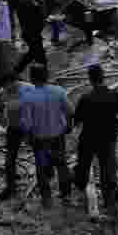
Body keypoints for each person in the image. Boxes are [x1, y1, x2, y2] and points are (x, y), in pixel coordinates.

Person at [73, 64, 118, 209]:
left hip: (89, 137)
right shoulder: (114, 95)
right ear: (103, 77)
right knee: (107, 167)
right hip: (108, 137)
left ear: (90, 79)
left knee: (83, 164)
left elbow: (77, 118)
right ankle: (109, 199)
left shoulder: (85, 97)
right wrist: (116, 123)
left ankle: (80, 187)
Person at [20, 63, 74, 207]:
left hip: (39, 138)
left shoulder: (27, 97)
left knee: (41, 167)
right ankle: (66, 195)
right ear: (47, 75)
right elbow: (70, 111)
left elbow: (26, 123)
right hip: (58, 135)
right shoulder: (59, 91)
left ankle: (47, 198)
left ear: (31, 78)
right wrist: (69, 125)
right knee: (62, 165)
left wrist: (27, 137)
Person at [0, 72, 33, 201]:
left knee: (40, 153)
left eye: (8, 85)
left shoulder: (28, 88)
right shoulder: (2, 93)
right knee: (9, 159)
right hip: (14, 128)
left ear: (14, 81)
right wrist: (1, 118)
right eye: (4, 86)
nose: (6, 88)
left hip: (30, 127)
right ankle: (10, 187)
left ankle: (47, 174)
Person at [11, 0, 47, 78]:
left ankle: (15, 71)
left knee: (31, 55)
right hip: (33, 34)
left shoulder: (22, 6)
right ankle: (42, 77)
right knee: (40, 57)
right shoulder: (29, 5)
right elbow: (40, 18)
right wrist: (39, 6)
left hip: (29, 34)